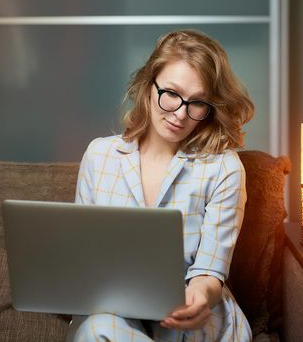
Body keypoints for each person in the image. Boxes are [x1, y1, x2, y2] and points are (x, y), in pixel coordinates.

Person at [69, 29, 255, 341]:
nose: (180, 114)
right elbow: (82, 259)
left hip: (193, 319)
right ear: (147, 86)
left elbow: (210, 271)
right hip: (113, 314)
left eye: (197, 103)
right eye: (170, 93)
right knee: (97, 329)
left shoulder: (223, 167)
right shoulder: (99, 155)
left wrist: (199, 298)